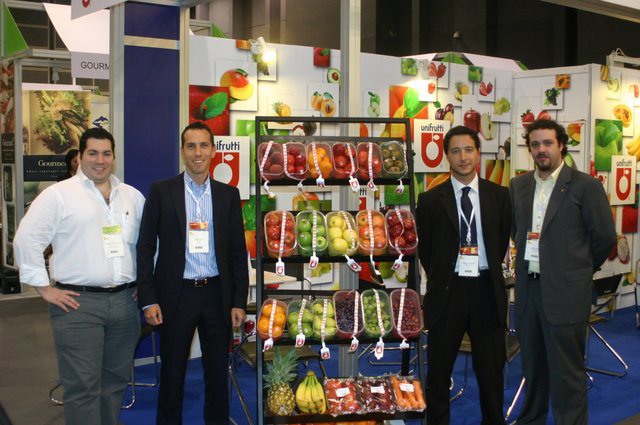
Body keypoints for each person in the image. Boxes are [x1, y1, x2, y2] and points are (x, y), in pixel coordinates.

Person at [13, 128, 145, 425]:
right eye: (93, 153)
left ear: (114, 157)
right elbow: (26, 240)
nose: (100, 160)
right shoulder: (58, 195)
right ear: (80, 157)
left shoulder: (132, 197)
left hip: (125, 303)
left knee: (114, 382)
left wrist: (143, 283)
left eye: (106, 154)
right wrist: (44, 288)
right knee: (82, 386)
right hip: (77, 304)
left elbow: (149, 244)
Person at [136, 121, 249, 425]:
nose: (197, 152)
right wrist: (148, 298)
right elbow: (145, 247)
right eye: (191, 146)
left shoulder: (228, 195)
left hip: (217, 294)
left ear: (213, 151)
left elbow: (237, 253)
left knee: (217, 372)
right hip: (176, 295)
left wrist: (239, 301)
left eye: (203, 145)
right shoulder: (162, 191)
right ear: (182, 151)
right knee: (173, 372)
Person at [510, 118, 616, 424]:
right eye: (535, 144)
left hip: (567, 293)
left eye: (547, 143)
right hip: (529, 291)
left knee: (567, 373)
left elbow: (604, 237)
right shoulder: (518, 186)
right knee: (532, 367)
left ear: (561, 146)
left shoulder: (586, 186)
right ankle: (531, 419)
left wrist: (578, 268)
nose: (541, 150)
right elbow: (517, 231)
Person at [416, 125, 511, 425]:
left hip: (486, 291)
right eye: (455, 151)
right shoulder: (430, 200)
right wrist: (445, 274)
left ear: (478, 153)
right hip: (448, 292)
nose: (463, 157)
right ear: (447, 156)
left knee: (491, 373)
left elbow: (499, 243)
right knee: (439, 373)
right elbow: (426, 250)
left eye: (469, 150)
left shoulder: (499, 196)